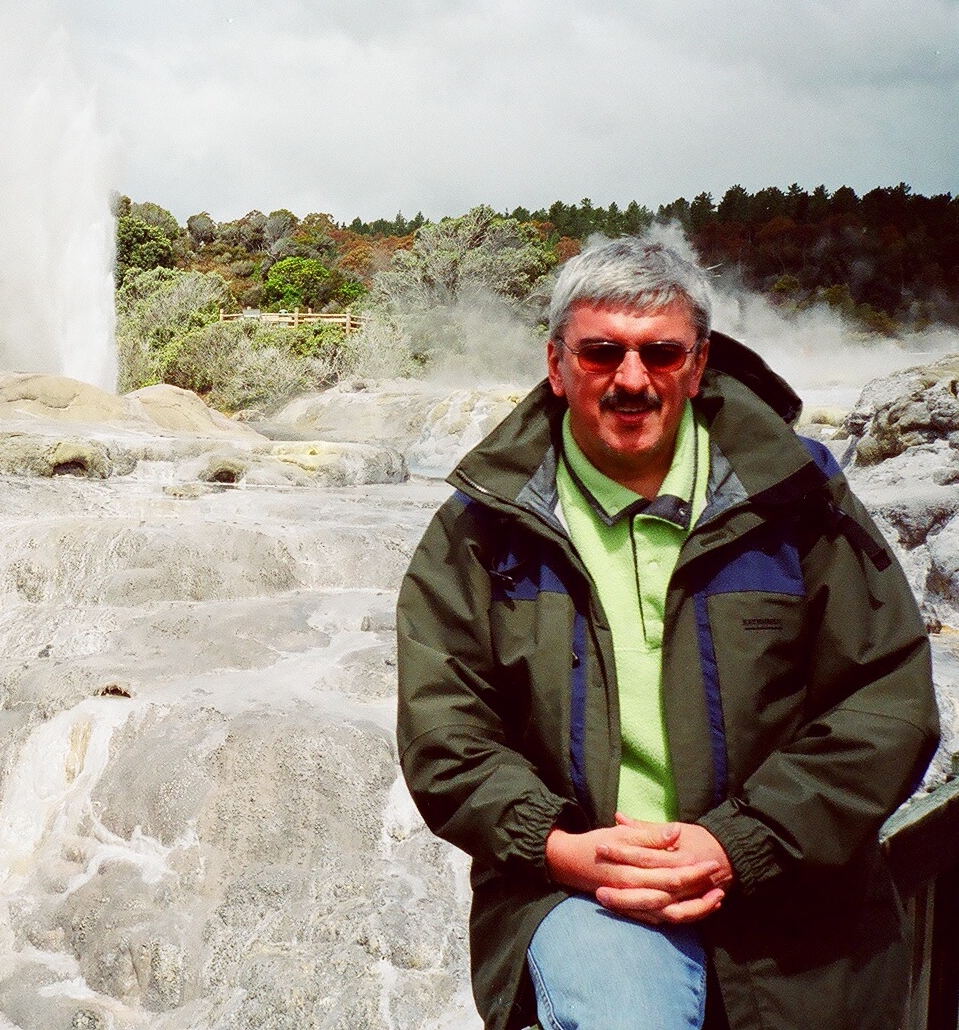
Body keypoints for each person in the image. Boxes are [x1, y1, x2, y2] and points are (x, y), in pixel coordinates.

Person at [395, 236, 940, 1030]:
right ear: (556, 363)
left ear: (695, 361)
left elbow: (885, 701)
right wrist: (558, 846)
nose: (629, 378)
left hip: (792, 897)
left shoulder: (798, 500)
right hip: (582, 886)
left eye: (658, 352)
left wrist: (737, 842)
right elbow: (445, 732)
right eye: (601, 351)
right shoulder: (480, 529)